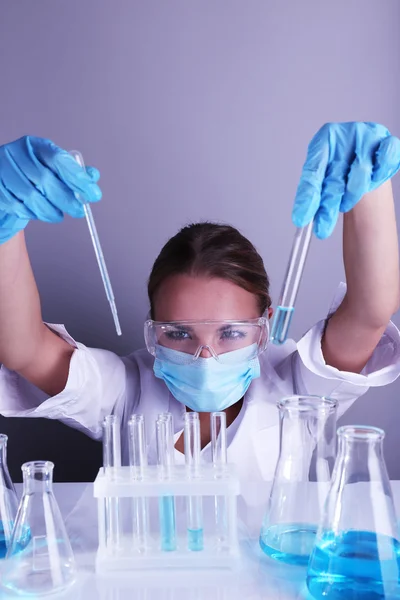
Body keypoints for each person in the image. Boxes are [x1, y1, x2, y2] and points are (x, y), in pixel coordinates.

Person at [0, 122, 400, 482]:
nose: (205, 357)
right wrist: (4, 222)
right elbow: (24, 349)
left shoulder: (297, 390)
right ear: (152, 328)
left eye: (230, 332)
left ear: (266, 325)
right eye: (178, 333)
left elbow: (369, 314)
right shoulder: (124, 391)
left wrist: (368, 190)